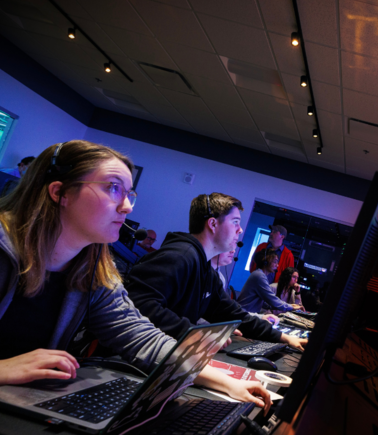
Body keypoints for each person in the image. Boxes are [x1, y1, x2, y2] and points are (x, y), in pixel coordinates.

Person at [0, 141, 270, 410]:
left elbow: (141, 336)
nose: (127, 206)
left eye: (129, 193)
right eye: (112, 188)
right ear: (60, 192)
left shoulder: (92, 268)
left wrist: (227, 383)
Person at [125, 193, 306, 350]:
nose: (240, 229)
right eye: (235, 222)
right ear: (212, 224)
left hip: (164, 353)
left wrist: (284, 337)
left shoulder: (206, 271)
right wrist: (197, 334)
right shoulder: (180, 256)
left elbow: (234, 314)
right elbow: (139, 305)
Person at [238, 249, 302, 314]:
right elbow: (272, 300)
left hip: (247, 313)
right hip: (244, 314)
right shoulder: (259, 276)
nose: (277, 265)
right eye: (275, 262)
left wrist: (289, 306)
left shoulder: (260, 275)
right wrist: (290, 306)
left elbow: (264, 303)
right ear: (265, 261)